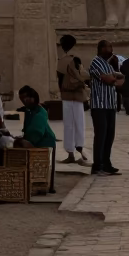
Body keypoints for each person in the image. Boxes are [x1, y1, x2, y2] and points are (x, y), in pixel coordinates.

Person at [89, 39, 124, 176]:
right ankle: (97, 165)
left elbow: (121, 81)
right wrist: (114, 78)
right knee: (101, 135)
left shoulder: (108, 65)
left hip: (110, 105)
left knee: (109, 135)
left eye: (111, 46)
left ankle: (106, 163)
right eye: (107, 47)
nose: (110, 49)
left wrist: (113, 77)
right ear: (101, 49)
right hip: (99, 105)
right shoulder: (96, 62)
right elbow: (109, 80)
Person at [56, 35, 90, 164]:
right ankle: (81, 152)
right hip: (78, 94)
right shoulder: (76, 59)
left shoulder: (62, 60)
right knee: (79, 124)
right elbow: (83, 75)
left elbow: (59, 77)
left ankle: (70, 154)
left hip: (66, 95)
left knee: (68, 125)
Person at [16, 87, 57, 151]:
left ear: (32, 98)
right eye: (21, 99)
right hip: (35, 138)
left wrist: (24, 141)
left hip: (44, 141)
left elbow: (36, 132)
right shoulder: (29, 111)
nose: (24, 101)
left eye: (25, 98)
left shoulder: (40, 112)